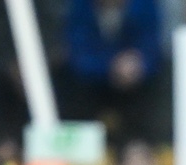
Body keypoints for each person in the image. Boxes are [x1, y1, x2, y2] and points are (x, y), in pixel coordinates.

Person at [62, 0, 167, 143]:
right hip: (91, 83)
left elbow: (152, 47)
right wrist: (111, 66)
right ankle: (79, 143)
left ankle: (141, 145)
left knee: (157, 83)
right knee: (70, 82)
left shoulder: (145, 5)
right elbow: (77, 51)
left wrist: (138, 63)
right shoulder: (80, 6)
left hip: (136, 83)